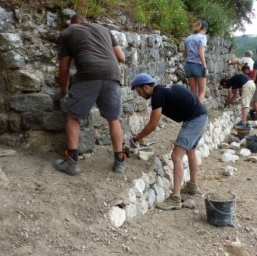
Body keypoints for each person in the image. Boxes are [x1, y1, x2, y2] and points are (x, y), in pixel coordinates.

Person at [55, 14, 126, 175]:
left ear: (72, 24)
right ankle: (120, 162)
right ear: (87, 21)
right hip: (112, 75)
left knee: (73, 116)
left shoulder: (69, 32)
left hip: (87, 74)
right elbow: (121, 57)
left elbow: (64, 68)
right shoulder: (104, 29)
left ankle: (72, 163)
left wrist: (64, 90)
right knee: (113, 119)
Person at [130, 73, 208, 210]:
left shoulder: (157, 95)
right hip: (201, 116)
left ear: (146, 87)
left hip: (194, 119)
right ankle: (192, 186)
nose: (139, 95)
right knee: (190, 151)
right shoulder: (162, 89)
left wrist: (136, 138)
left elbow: (153, 125)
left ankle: (175, 198)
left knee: (176, 156)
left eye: (139, 91)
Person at [183, 20, 209, 103]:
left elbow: (185, 55)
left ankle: (192, 110)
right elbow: (201, 53)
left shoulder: (188, 38)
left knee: (193, 91)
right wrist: (205, 67)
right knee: (202, 91)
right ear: (204, 28)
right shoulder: (202, 37)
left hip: (188, 66)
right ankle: (198, 112)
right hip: (198, 65)